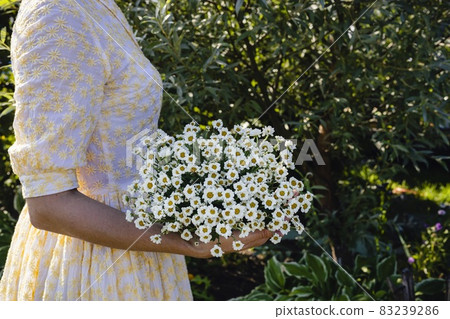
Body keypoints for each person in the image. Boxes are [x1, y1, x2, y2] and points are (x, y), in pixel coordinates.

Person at [0, 0, 271, 301]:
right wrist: (186, 241)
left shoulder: (95, 5)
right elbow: (47, 204)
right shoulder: (56, 15)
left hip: (140, 243)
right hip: (93, 264)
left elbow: (121, 138)